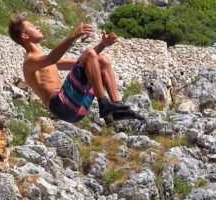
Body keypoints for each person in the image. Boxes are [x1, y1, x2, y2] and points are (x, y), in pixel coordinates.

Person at [8, 16, 142, 123]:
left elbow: (86, 62)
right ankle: (103, 102)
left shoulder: (44, 60)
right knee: (90, 54)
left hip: (75, 109)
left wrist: (103, 45)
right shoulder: (30, 61)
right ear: (25, 36)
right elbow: (51, 59)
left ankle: (117, 108)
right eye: (31, 26)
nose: (37, 26)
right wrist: (73, 36)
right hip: (60, 105)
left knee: (102, 60)